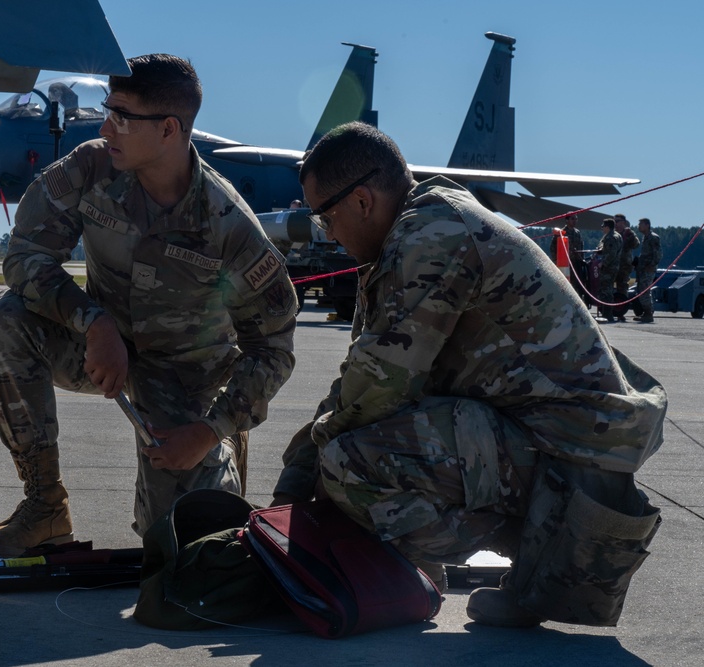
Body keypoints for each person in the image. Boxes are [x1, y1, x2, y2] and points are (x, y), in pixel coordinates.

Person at [273, 121, 665, 628]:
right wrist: (295, 476)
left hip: (570, 470)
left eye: (326, 217)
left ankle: (505, 562)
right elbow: (362, 376)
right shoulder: (419, 227)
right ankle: (495, 559)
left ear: (363, 201)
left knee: (350, 462)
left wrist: (311, 466)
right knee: (347, 444)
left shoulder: (434, 232)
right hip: (548, 450)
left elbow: (381, 383)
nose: (327, 232)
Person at [0, 53, 297, 557]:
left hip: (188, 378)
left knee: (178, 544)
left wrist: (210, 429)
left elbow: (273, 346)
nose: (106, 127)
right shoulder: (89, 169)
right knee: (5, 322)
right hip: (102, 352)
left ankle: (219, 457)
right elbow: (26, 258)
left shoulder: (227, 222)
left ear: (169, 129)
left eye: (122, 116)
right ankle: (44, 508)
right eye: (109, 111)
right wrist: (93, 321)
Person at [595, 217, 622, 323]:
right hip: (614, 266)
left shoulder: (611, 237)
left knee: (606, 290)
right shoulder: (617, 236)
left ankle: (607, 314)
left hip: (609, 267)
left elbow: (611, 253)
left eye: (603, 227)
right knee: (608, 289)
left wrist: (603, 263)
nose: (602, 229)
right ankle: (607, 313)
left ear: (607, 227)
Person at [613, 214, 640, 321]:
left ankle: (621, 311)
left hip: (624, 265)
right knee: (608, 287)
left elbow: (636, 244)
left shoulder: (629, 233)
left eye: (617, 221)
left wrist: (630, 235)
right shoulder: (612, 233)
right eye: (614, 221)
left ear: (623, 222)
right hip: (612, 265)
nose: (615, 223)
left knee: (622, 288)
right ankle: (609, 308)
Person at [635, 217, 662, 323]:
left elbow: (658, 254)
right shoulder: (645, 238)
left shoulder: (653, 238)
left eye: (641, 224)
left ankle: (648, 314)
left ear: (647, 225)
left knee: (645, 291)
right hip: (643, 268)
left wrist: (652, 265)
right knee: (642, 290)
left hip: (648, 269)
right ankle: (646, 313)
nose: (639, 226)